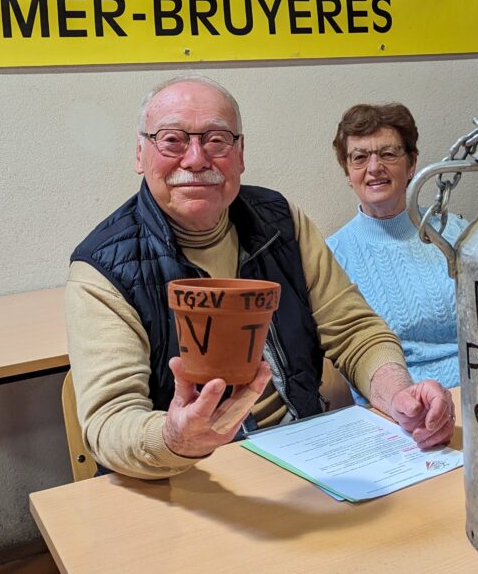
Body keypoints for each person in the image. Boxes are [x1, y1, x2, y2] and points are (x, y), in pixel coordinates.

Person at [65, 74, 455, 479]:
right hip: (183, 476)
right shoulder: (102, 269)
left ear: (240, 154)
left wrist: (399, 396)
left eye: (216, 140)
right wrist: (174, 438)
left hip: (305, 457)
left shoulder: (282, 221)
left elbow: (355, 332)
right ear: (140, 153)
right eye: (172, 140)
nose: (196, 159)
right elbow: (110, 421)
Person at [326, 103, 466, 400]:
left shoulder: (456, 232)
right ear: (347, 170)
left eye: (388, 154)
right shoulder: (332, 257)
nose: (374, 167)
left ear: (412, 164)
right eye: (359, 157)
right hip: (396, 407)